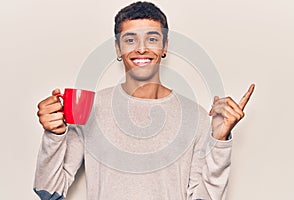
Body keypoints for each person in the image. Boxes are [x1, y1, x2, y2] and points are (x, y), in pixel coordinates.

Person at [34, 1, 255, 200]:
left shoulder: (195, 116)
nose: (141, 48)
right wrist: (54, 135)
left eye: (152, 38)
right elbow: (50, 191)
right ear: (118, 48)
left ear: (165, 47)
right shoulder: (91, 108)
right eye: (130, 40)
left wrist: (219, 140)